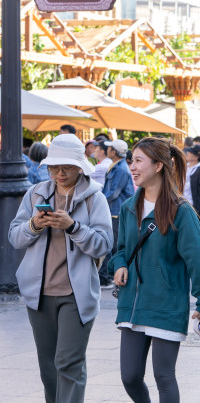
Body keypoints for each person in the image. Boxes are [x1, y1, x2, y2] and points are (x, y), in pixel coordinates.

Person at [110, 137, 200, 403]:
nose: (132, 167)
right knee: (130, 377)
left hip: (166, 303)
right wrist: (120, 265)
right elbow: (121, 249)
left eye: (139, 160)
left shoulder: (180, 211)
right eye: (132, 160)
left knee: (164, 376)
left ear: (158, 166)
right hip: (132, 303)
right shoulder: (128, 208)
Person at [9, 133, 113, 403]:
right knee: (49, 369)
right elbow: (15, 237)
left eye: (66, 166)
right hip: (39, 294)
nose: (59, 172)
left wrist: (73, 227)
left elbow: (103, 245)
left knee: (68, 364)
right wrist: (34, 225)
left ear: (80, 166)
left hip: (75, 296)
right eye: (54, 166)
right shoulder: (36, 193)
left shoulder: (94, 198)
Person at [100, 139, 135, 290]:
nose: (106, 150)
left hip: (117, 211)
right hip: (115, 210)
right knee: (113, 243)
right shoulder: (117, 166)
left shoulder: (120, 169)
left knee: (114, 244)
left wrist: (99, 201)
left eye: (109, 148)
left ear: (114, 152)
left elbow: (113, 193)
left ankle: (108, 277)